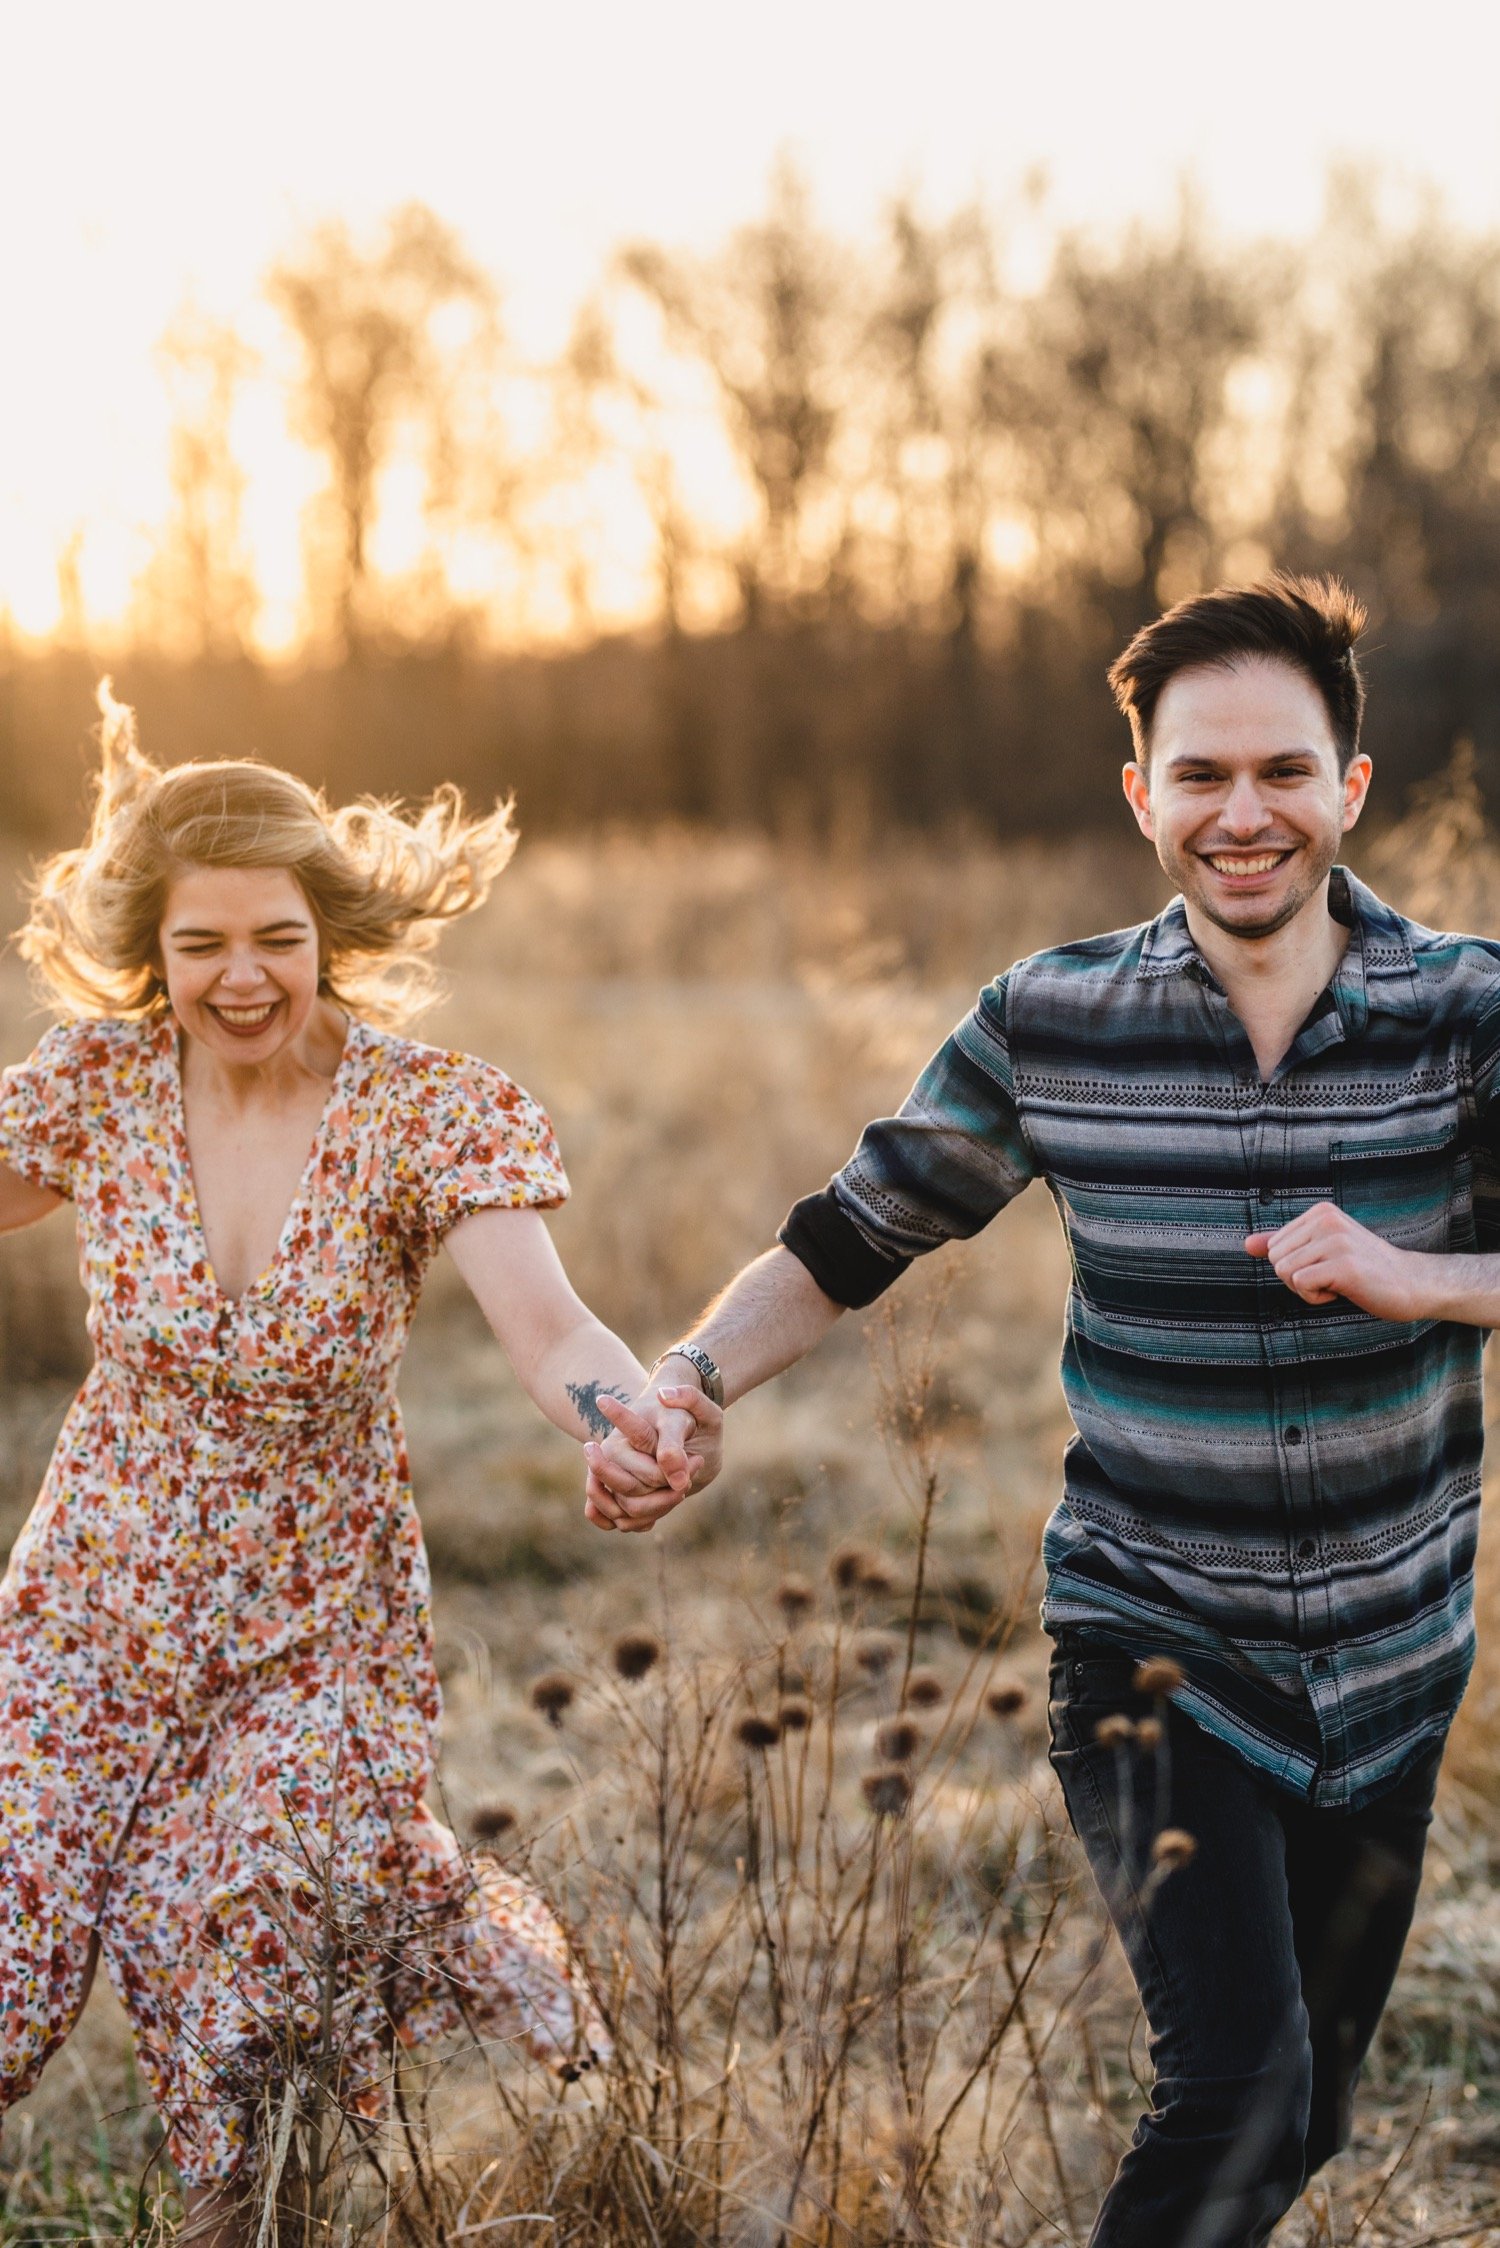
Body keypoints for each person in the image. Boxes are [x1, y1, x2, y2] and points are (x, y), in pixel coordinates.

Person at [585, 576, 1497, 2248]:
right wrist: (687, 1380)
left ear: (1349, 788)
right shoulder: (1050, 1020)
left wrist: (1424, 1279)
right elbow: (856, 1230)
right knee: (1234, 2095)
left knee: (1311, 2112)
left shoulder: (1468, 1014)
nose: (1243, 816)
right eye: (1199, 776)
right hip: (1154, 1650)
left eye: (1283, 773)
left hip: (1391, 1660)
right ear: (1140, 793)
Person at [0, 687, 716, 2245]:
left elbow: (551, 1329)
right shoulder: (98, 1087)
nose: (240, 979)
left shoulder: (423, 1115)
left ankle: (240, 2224)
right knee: (7, 1956)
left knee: (236, 1961)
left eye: (274, 937)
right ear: (154, 951)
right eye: (202, 946)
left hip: (310, 1625)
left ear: (329, 929)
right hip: (87, 1607)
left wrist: (628, 1419)